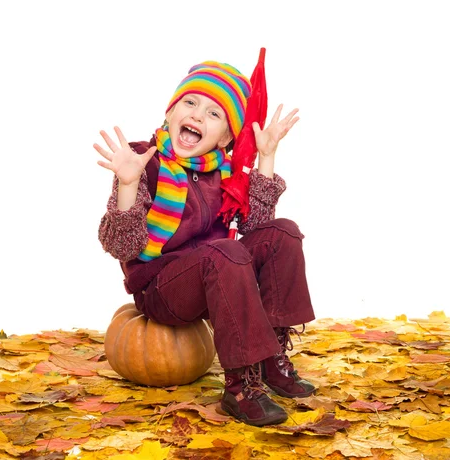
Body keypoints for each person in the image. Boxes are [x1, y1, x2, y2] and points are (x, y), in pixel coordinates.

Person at [95, 60, 316, 426]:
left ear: (226, 138)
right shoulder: (141, 162)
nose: (198, 115)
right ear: (171, 112)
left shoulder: (225, 173)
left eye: (214, 113)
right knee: (224, 252)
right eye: (190, 103)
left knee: (283, 232)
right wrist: (129, 184)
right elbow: (123, 247)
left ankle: (271, 357)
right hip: (161, 291)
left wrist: (266, 155)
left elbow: (257, 227)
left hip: (219, 280)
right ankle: (240, 387)